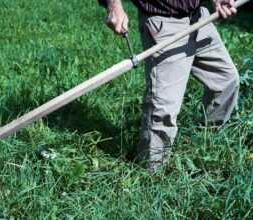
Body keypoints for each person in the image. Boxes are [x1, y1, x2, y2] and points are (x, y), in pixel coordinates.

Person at [99, 0, 240, 172]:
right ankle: (150, 174)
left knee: (226, 81)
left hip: (199, 17)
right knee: (163, 109)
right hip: (164, 22)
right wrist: (114, 5)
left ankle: (203, 144)